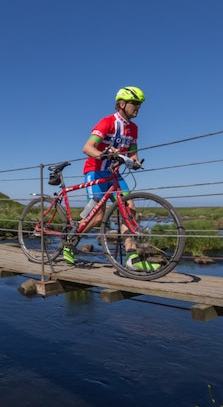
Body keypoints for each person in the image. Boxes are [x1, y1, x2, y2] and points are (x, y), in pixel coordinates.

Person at [63, 86, 157, 271]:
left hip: (114, 175)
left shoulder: (133, 129)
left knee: (129, 209)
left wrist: (135, 162)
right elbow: (88, 147)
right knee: (97, 217)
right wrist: (104, 155)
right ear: (122, 104)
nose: (138, 107)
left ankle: (133, 258)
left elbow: (133, 153)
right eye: (134, 103)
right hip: (95, 172)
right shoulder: (107, 122)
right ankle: (69, 244)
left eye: (140, 104)